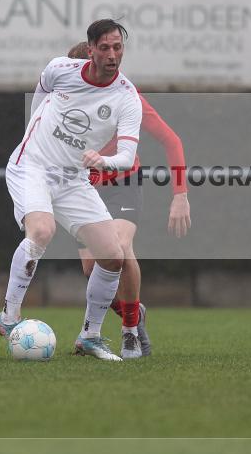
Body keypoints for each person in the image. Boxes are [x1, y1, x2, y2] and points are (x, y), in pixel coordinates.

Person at [0, 19, 142, 362]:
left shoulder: (127, 97)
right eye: (104, 48)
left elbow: (127, 155)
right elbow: (42, 92)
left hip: (73, 178)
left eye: (117, 48)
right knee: (42, 230)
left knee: (112, 255)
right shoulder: (60, 69)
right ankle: (9, 315)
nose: (112, 55)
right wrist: (34, 135)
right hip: (31, 167)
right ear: (90, 49)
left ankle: (90, 336)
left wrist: (103, 162)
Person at [65, 41, 190, 359]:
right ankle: (134, 312)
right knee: (93, 268)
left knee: (119, 248)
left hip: (123, 182)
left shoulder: (126, 98)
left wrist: (180, 195)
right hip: (86, 189)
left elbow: (171, 139)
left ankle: (130, 331)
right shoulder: (63, 103)